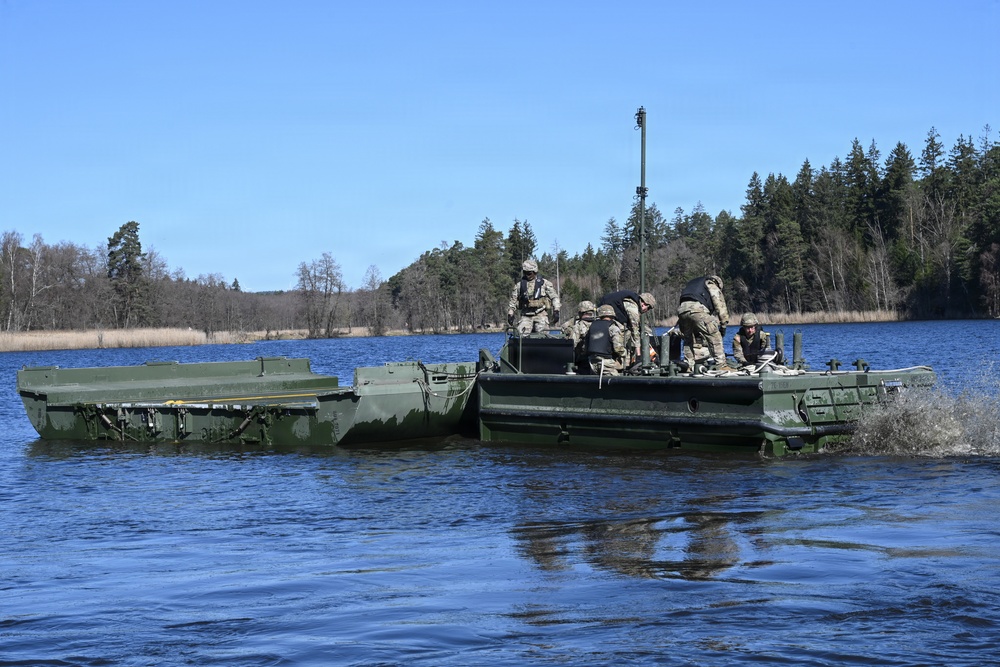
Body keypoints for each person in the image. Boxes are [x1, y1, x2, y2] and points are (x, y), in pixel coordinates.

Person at [676, 275, 731, 371]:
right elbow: (720, 305)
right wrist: (723, 324)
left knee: (688, 339)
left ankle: (689, 364)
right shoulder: (710, 283)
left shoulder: (693, 283)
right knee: (714, 335)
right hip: (697, 310)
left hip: (682, 310)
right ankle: (721, 365)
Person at [597, 290, 656, 365]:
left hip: (607, 312)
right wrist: (638, 355)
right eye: (648, 308)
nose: (646, 311)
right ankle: (623, 359)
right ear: (644, 304)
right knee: (625, 333)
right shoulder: (633, 308)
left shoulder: (633, 300)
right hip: (605, 313)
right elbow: (635, 330)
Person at [507, 259, 560, 334]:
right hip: (526, 315)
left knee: (543, 336)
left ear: (535, 272)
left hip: (541, 314)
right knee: (521, 336)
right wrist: (510, 313)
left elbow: (554, 297)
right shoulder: (519, 286)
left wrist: (556, 310)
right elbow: (513, 301)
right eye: (525, 273)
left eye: (529, 273)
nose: (527, 275)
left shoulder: (544, 284)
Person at [586, 304, 626, 376]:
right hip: (606, 362)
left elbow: (586, 345)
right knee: (617, 383)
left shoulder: (591, 326)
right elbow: (618, 348)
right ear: (612, 315)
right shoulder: (613, 328)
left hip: (592, 362)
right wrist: (625, 354)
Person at [561, 300, 596, 370]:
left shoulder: (579, 325)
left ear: (581, 312)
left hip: (583, 360)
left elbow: (571, 343)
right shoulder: (600, 323)